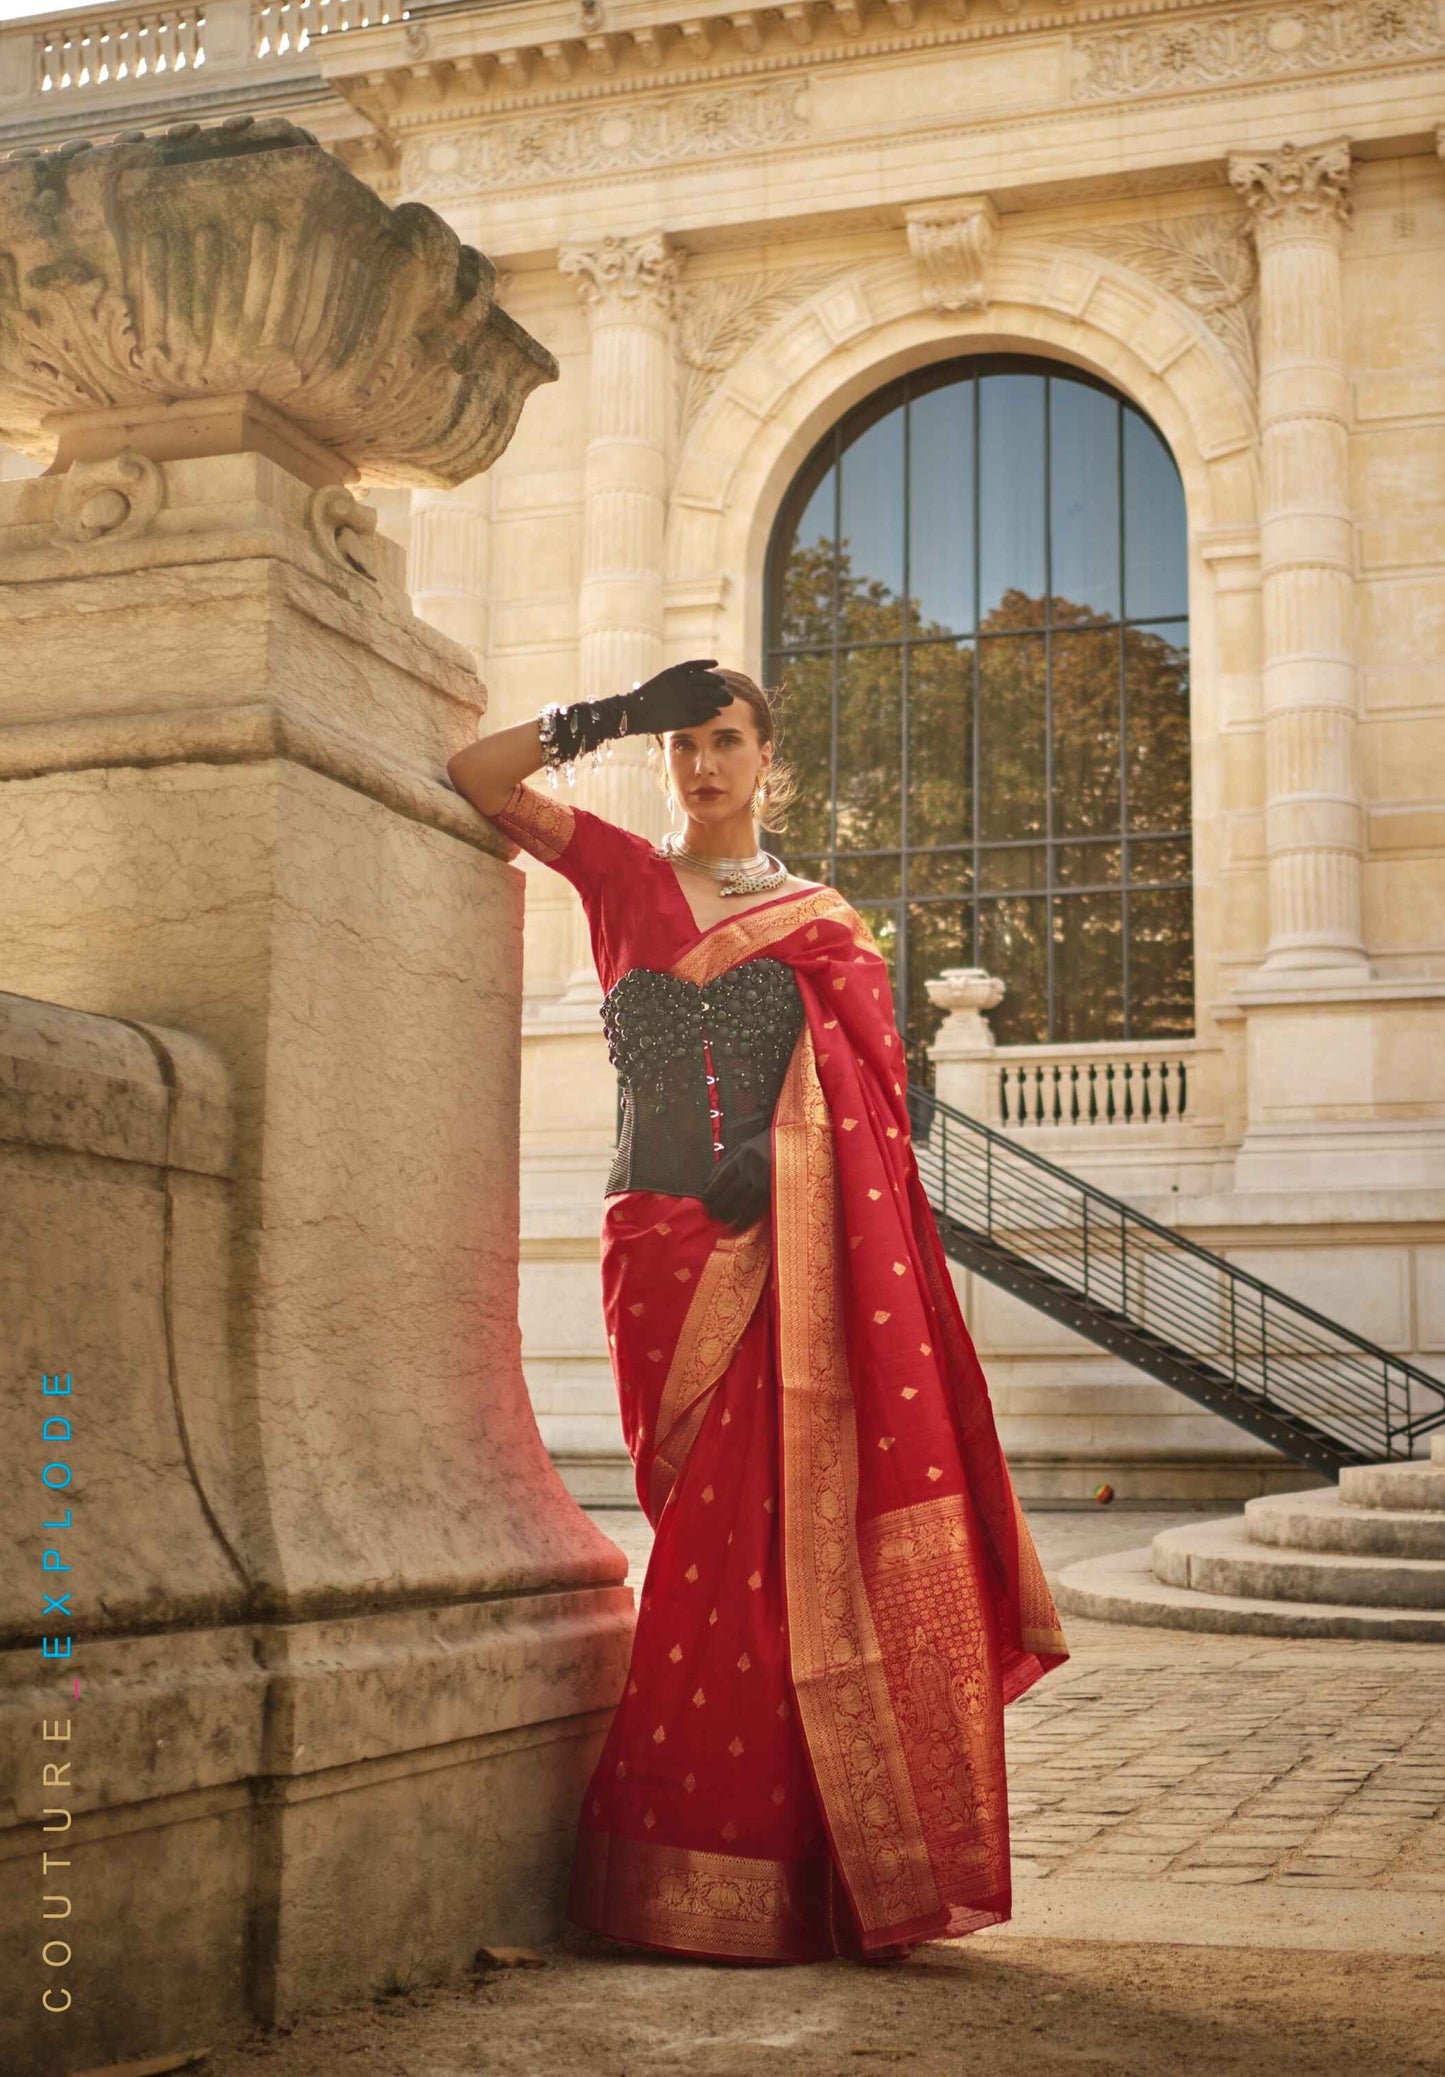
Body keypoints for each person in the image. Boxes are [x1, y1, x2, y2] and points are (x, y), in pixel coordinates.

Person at [446, 659, 1069, 1966]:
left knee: (769, 1557)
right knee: (698, 1533)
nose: (701, 765)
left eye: (722, 740)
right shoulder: (620, 874)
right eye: (681, 745)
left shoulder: (819, 920)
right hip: (659, 1250)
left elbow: (874, 1118)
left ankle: (792, 1872)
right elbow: (477, 776)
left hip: (777, 1253)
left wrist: (778, 1169)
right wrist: (604, 715)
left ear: (765, 756)